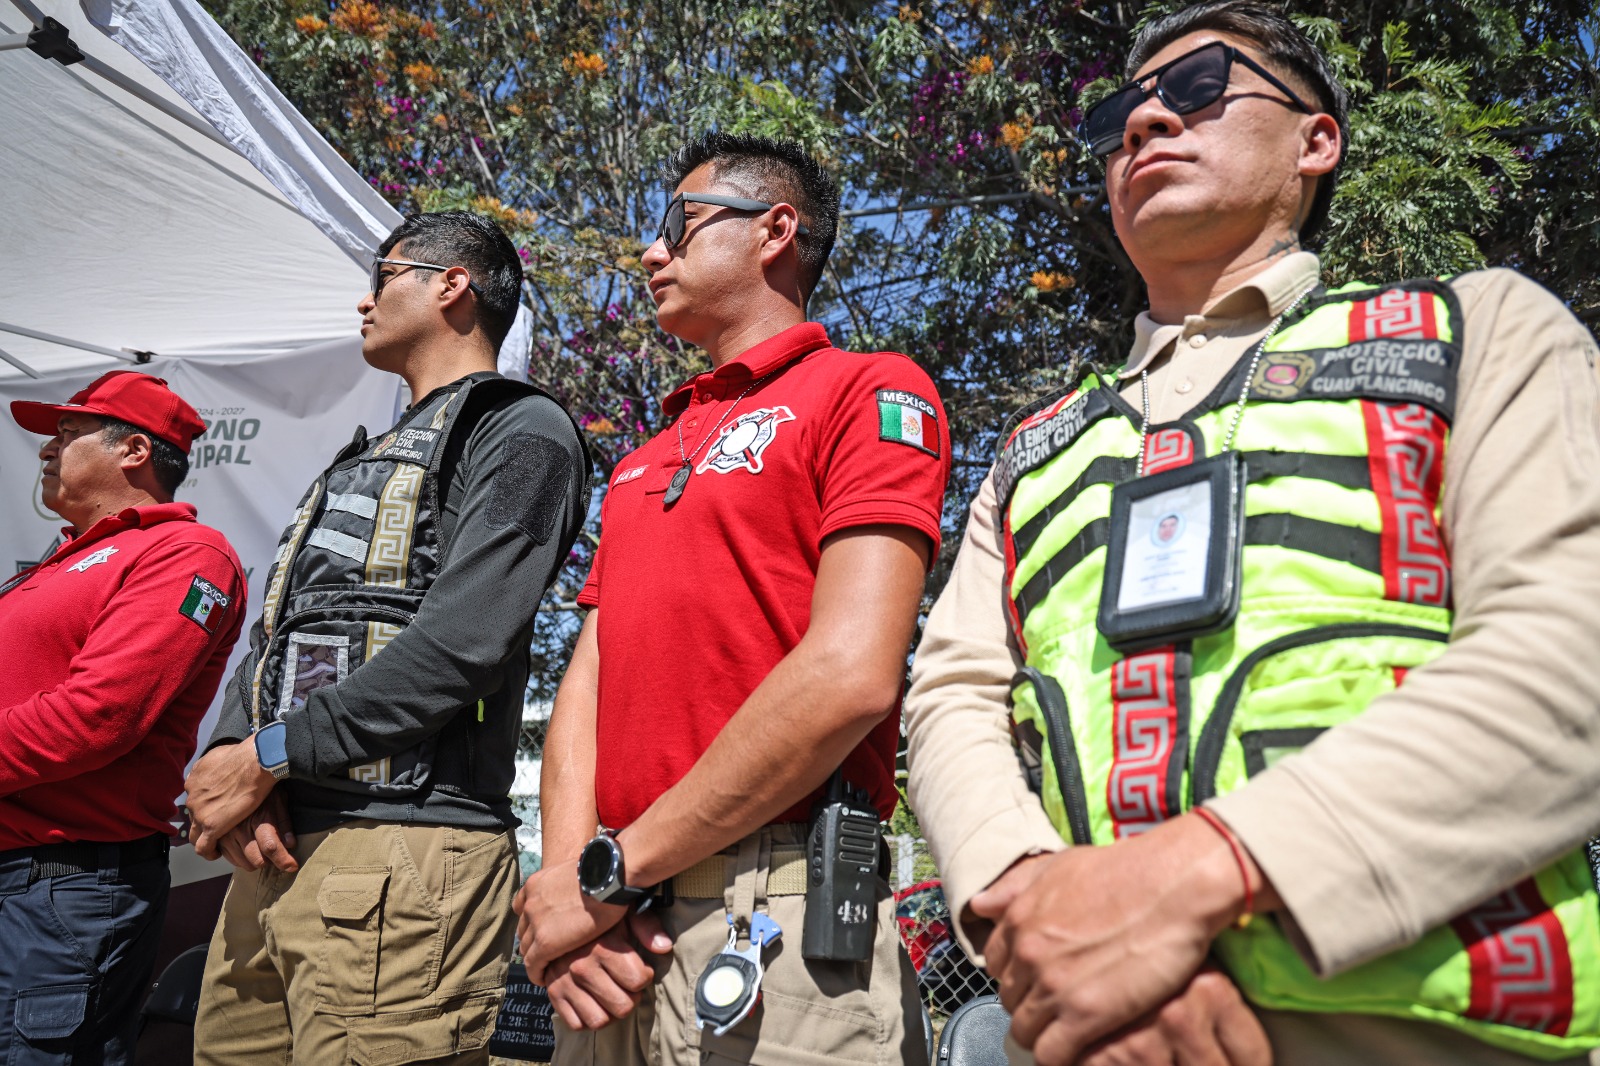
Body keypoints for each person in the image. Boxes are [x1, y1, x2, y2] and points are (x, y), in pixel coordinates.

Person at [904, 3, 1600, 1065]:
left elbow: (1568, 651)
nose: (1141, 128)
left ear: (1315, 140)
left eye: (1193, 90)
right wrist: (1039, 930)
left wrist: (1185, 887)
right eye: (1115, 118)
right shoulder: (1030, 451)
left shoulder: (1481, 329)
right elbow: (951, 697)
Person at [514, 132, 950, 1066]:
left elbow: (850, 676)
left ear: (775, 231)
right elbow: (584, 689)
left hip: (777, 907)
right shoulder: (639, 461)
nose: (650, 252)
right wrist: (566, 891)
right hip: (608, 940)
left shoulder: (870, 390)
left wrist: (610, 870)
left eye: (679, 223)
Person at [183, 210, 591, 1064]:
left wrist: (264, 756)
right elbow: (279, 627)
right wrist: (246, 766)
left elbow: (462, 645)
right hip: (283, 845)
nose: (362, 301)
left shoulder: (522, 431)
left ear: (452, 287)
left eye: (383, 275)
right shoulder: (365, 453)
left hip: (405, 851)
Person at [1, 371, 244, 1065]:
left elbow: (99, 716)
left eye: (68, 433)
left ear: (134, 450)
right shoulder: (52, 566)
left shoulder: (183, 553)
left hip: (59, 890)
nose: (47, 449)